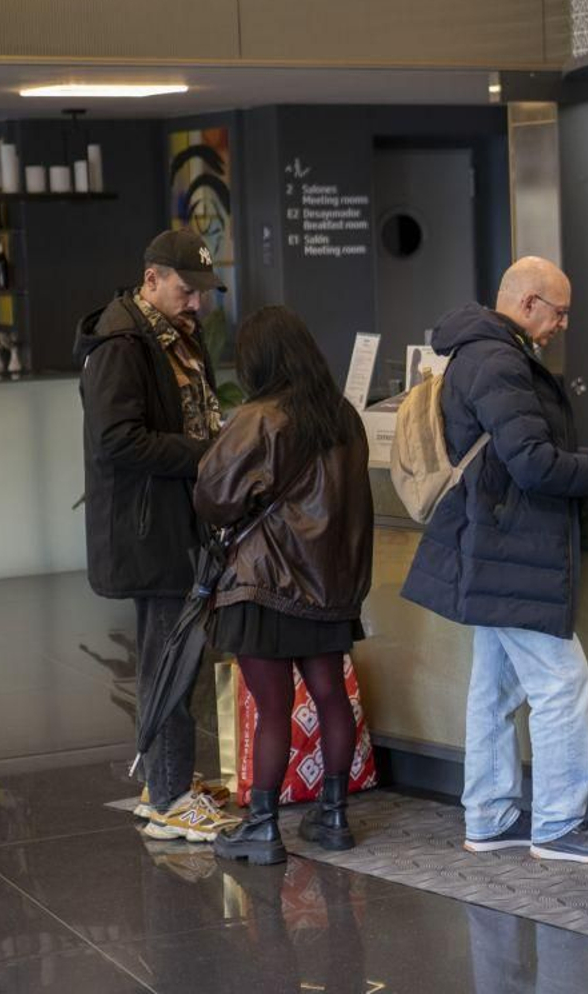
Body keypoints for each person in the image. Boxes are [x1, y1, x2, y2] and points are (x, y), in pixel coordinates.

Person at [401, 256, 588, 864]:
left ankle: (489, 815)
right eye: (560, 311)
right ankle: (561, 825)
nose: (564, 324)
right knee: (562, 682)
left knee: (495, 687)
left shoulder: (480, 353)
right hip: (511, 549)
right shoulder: (500, 360)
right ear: (529, 302)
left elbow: (515, 449)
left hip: (489, 547)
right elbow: (534, 467)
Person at [75, 229, 238, 842]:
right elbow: (117, 439)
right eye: (186, 289)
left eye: (203, 292)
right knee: (172, 661)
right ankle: (170, 797)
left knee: (170, 657)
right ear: (150, 280)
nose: (197, 303)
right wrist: (204, 454)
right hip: (151, 528)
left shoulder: (172, 337)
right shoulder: (122, 346)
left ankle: (167, 783)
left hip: (176, 520)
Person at [196, 306, 374, 866]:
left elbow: (213, 497)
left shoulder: (258, 418)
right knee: (330, 697)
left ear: (260, 360)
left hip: (264, 584)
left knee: (272, 710)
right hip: (329, 588)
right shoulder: (344, 417)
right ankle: (335, 815)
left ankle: (263, 827)